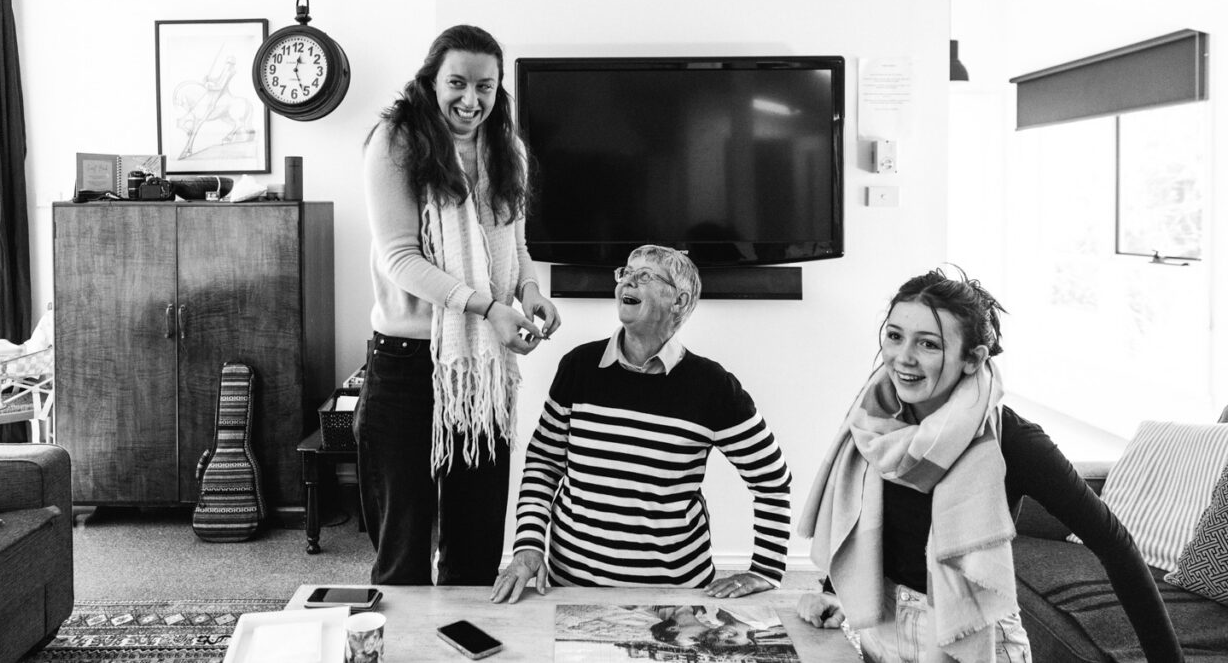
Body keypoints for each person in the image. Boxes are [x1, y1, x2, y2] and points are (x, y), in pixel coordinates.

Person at [796, 268, 1183, 663]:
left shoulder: (1012, 440)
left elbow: (1114, 542)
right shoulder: (873, 420)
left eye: (928, 344)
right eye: (895, 336)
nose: (903, 358)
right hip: (878, 623)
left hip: (972, 637)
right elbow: (857, 512)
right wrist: (833, 588)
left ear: (972, 358)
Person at [356, 23, 561, 586]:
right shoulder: (395, 141)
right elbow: (400, 257)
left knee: (474, 547)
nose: (471, 101)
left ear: (499, 90)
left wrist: (529, 291)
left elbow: (514, 243)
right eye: (457, 83)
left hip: (480, 372)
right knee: (402, 551)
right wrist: (487, 309)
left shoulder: (505, 145)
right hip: (406, 365)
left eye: (486, 87)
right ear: (431, 80)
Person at [490, 244, 792, 603]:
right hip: (569, 589)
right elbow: (543, 464)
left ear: (678, 301)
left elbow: (772, 479)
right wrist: (527, 545)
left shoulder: (713, 386)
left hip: (676, 595)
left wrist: (765, 570)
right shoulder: (579, 367)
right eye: (625, 273)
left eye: (644, 276)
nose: (627, 281)